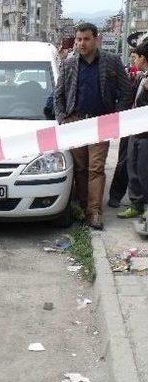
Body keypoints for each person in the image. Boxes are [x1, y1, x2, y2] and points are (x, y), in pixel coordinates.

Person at [53, 22, 132, 229]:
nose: (82, 43)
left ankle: (95, 212)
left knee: (96, 168)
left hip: (101, 123)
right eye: (78, 39)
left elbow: (126, 92)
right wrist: (63, 119)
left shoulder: (112, 61)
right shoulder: (69, 64)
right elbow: (58, 95)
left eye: (86, 39)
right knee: (80, 169)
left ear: (96, 39)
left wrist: (115, 117)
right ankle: (82, 206)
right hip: (75, 122)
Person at [110, 48, 142, 210]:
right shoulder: (132, 75)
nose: (132, 60)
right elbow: (123, 94)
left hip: (141, 129)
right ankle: (116, 196)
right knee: (125, 161)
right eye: (132, 57)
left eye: (135, 57)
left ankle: (138, 201)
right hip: (130, 124)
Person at [119, 43, 148, 219]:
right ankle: (136, 204)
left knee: (145, 170)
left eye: (135, 57)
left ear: (143, 58)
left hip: (146, 135)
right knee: (133, 168)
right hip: (135, 131)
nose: (133, 60)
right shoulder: (141, 78)